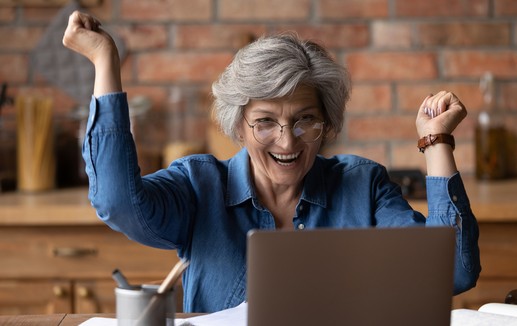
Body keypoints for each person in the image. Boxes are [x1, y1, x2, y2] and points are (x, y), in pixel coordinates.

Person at [63, 11, 480, 313]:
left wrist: (437, 139)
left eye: (305, 121)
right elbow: (117, 202)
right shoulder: (199, 185)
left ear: (326, 122)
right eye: (265, 122)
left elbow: (453, 273)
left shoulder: (362, 185)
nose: (287, 141)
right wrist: (105, 61)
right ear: (239, 126)